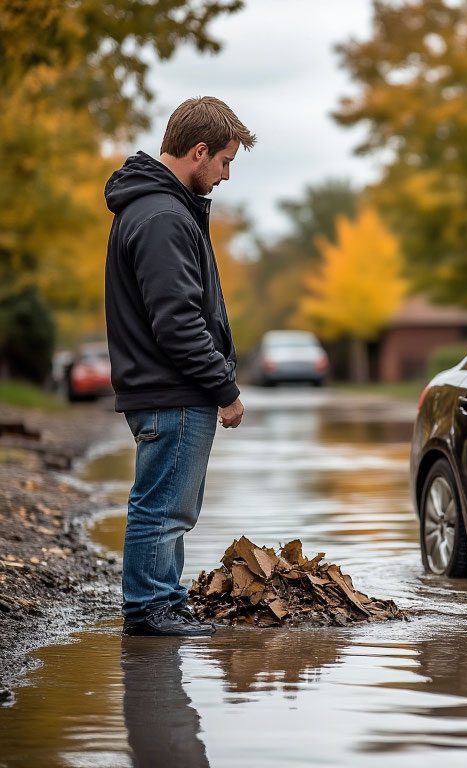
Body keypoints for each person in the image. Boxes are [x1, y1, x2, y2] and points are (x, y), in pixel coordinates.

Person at [104, 96, 256, 637]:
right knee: (164, 508)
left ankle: (163, 601)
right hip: (173, 390)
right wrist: (224, 388)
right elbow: (177, 323)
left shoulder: (157, 208)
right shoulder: (163, 216)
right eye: (225, 161)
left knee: (169, 505)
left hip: (166, 389)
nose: (226, 175)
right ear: (199, 151)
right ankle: (150, 609)